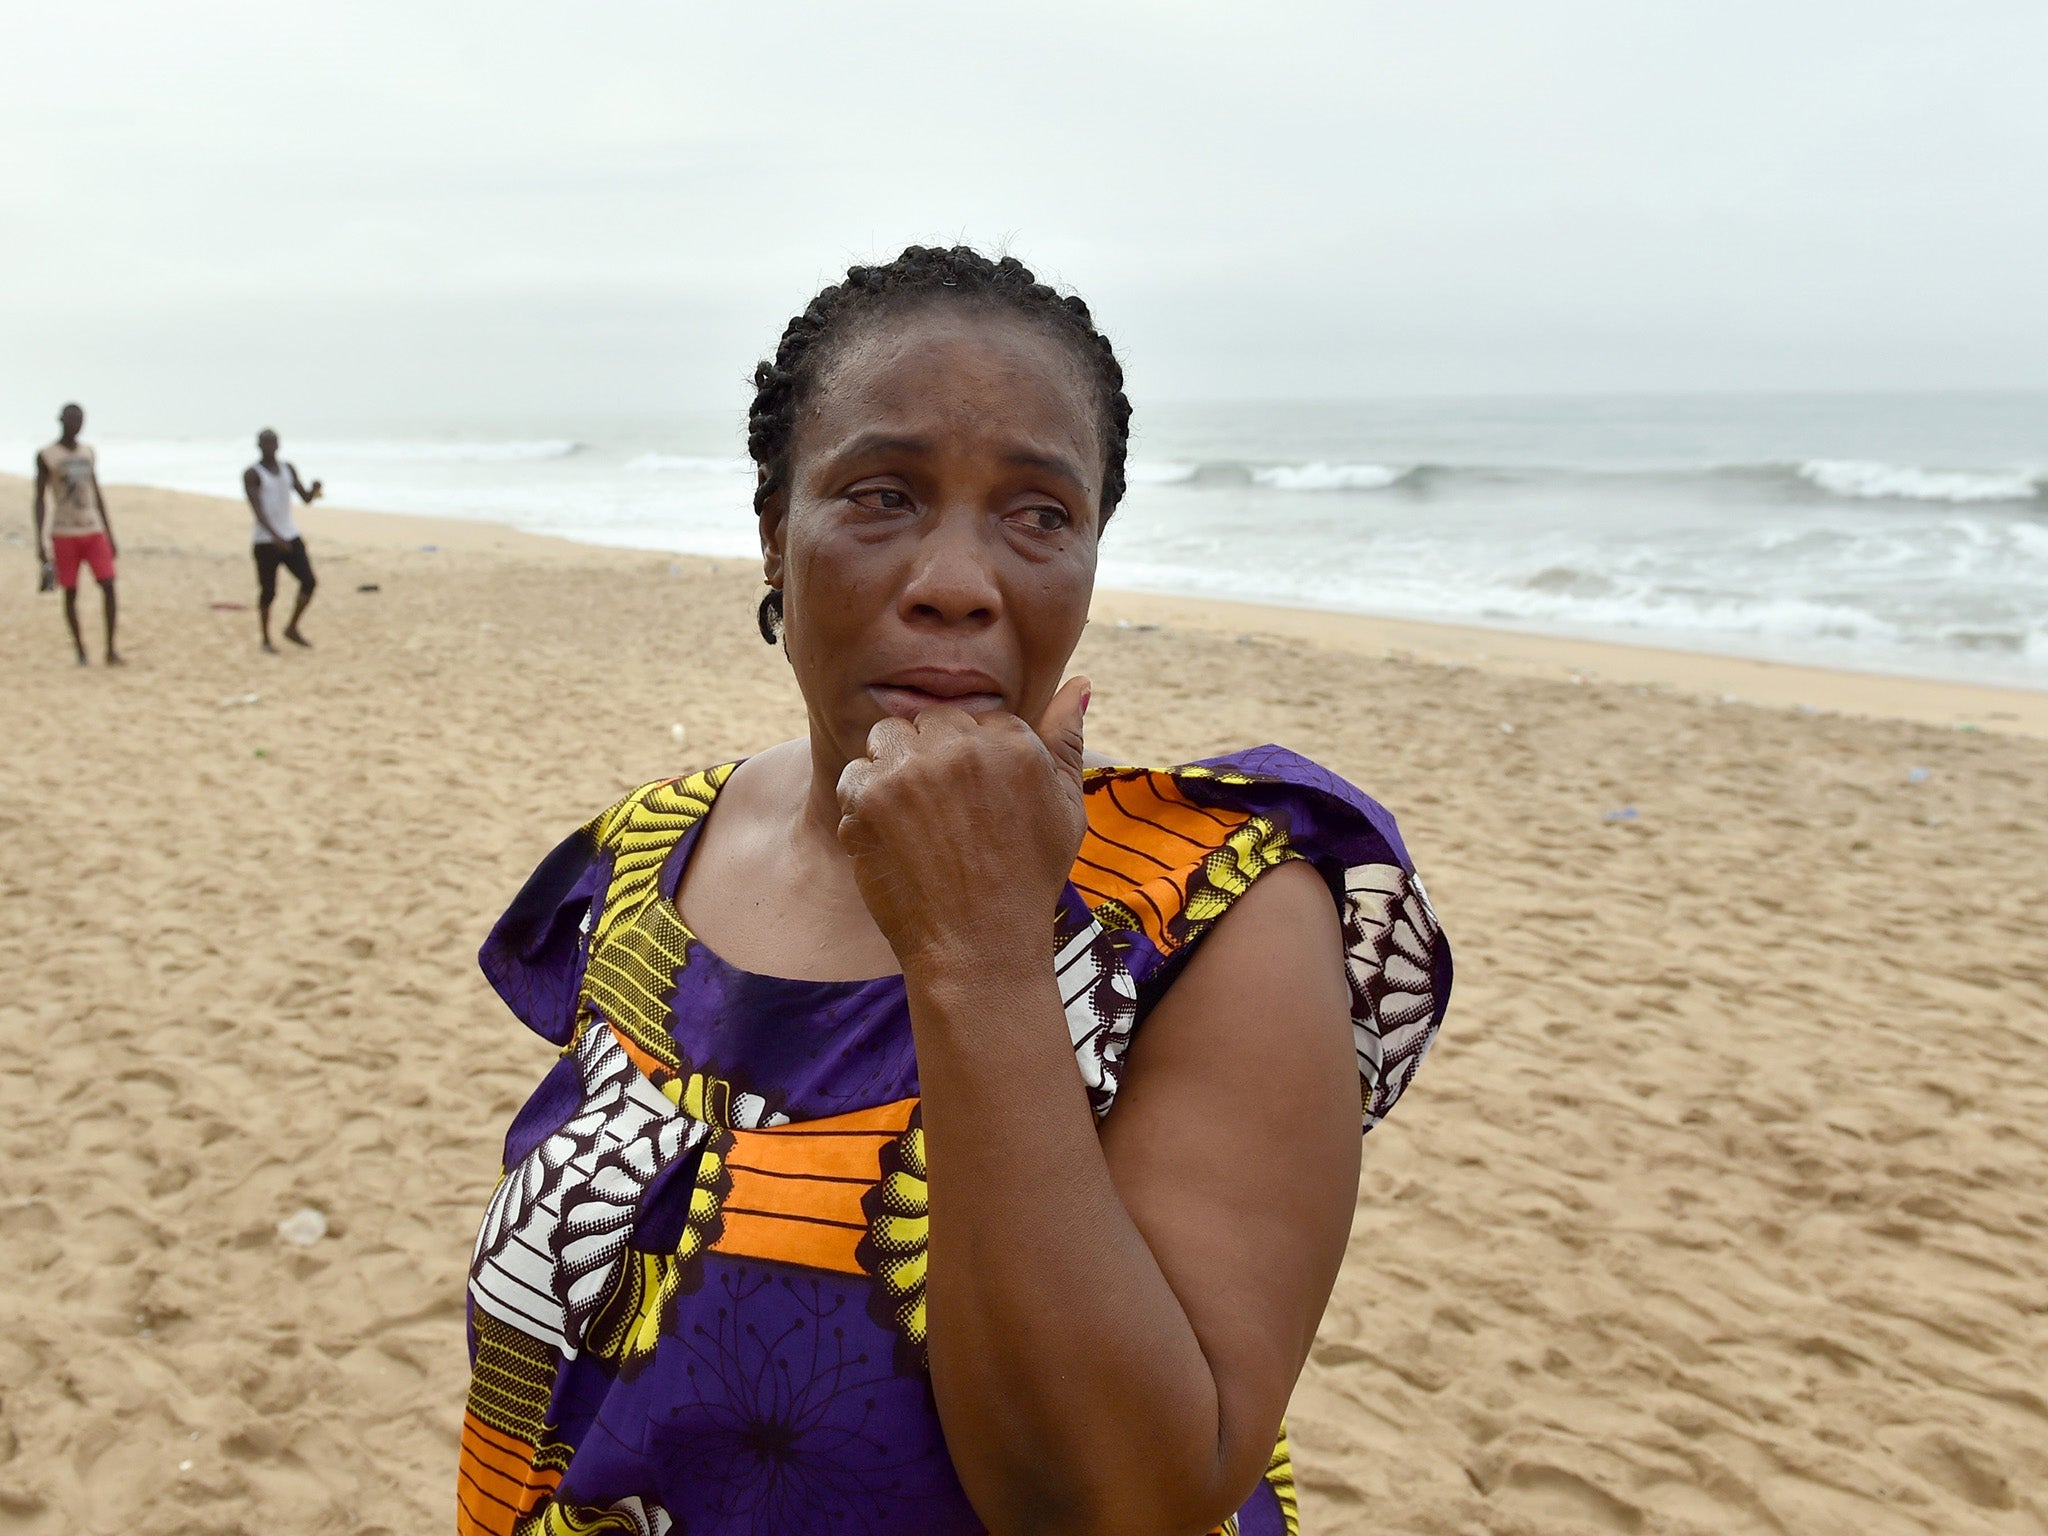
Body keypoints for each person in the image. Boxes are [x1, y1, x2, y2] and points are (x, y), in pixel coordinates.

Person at [456, 247, 1452, 1536]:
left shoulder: (1221, 912)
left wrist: (981, 950)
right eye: (881, 496)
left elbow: (1132, 1500)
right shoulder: (652, 855)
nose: (960, 584)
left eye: (1040, 515)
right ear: (772, 531)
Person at [33, 403, 121, 666]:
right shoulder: (47, 455)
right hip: (64, 531)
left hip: (92, 528)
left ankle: (110, 648)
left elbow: (97, 492)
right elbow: (39, 498)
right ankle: (81, 650)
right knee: (70, 591)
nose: (76, 423)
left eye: (80, 419)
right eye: (72, 419)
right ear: (61, 420)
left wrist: (109, 532)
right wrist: (40, 538)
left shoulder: (88, 452)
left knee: (108, 585)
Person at [242, 429, 322, 652]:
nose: (270, 446)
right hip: (265, 541)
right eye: (266, 443)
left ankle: (292, 627)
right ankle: (266, 639)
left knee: (309, 581)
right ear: (259, 445)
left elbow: (305, 498)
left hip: (289, 534)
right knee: (269, 591)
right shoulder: (253, 473)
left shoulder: (287, 468)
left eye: (274, 442)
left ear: (278, 445)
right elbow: (257, 509)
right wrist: (274, 536)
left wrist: (314, 490)